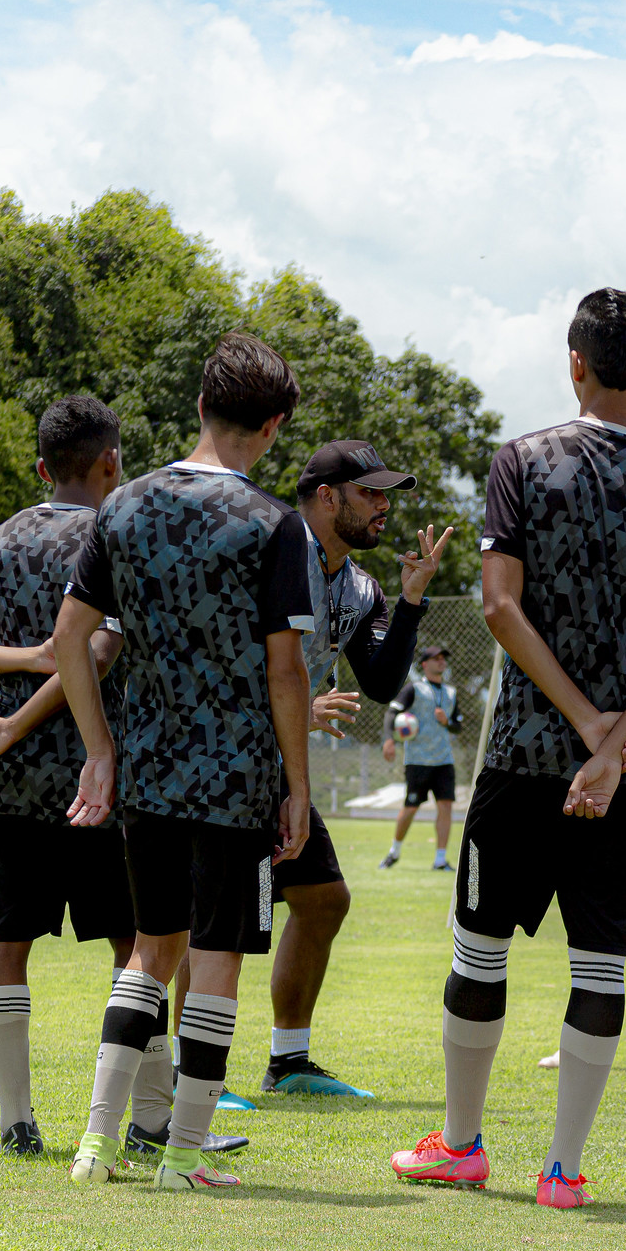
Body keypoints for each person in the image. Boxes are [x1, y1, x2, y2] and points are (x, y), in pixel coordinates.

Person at [387, 288, 626, 1210]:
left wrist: (579, 725)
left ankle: (459, 1143)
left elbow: (499, 604)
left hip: (528, 753)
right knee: (602, 964)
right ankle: (564, 1170)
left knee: (479, 947)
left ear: (573, 362)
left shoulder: (522, 461)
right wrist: (615, 744)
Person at [53, 333, 316, 1192]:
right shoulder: (276, 524)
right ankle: (185, 1154)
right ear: (273, 426)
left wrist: (100, 751)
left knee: (147, 953)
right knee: (215, 955)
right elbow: (286, 667)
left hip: (151, 769)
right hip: (235, 774)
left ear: (200, 404)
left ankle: (95, 1144)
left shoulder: (121, 506)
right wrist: (298, 786)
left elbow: (69, 642)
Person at [0, 395, 134, 1158]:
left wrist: (20, 669)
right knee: (137, 944)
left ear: (42, 468)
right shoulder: (116, 533)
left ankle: (16, 1119)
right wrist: (45, 660)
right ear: (110, 462)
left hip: (7, 776)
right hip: (98, 779)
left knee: (6, 936)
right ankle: (129, 1121)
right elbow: (99, 650)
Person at [264, 439, 453, 1098]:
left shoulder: (358, 586)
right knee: (211, 920)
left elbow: (376, 683)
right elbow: (224, 653)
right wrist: (288, 704)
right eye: (369, 492)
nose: (383, 506)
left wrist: (410, 600)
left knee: (322, 900)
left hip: (278, 767)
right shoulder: (271, 550)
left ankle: (287, 1063)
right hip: (223, 759)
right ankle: (178, 1074)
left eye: (386, 494)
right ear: (325, 497)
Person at [380, 646, 465, 871]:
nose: (441, 663)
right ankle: (394, 852)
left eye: (443, 659)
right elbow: (392, 712)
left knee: (445, 806)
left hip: (444, 760)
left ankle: (440, 859)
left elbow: (458, 726)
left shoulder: (451, 693)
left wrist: (448, 722)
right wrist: (389, 740)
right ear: (425, 664)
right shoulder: (414, 689)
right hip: (418, 760)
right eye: (436, 659)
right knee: (411, 807)